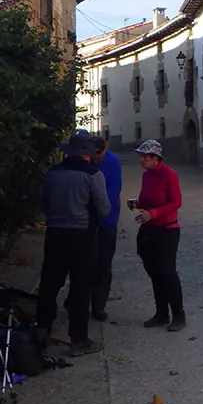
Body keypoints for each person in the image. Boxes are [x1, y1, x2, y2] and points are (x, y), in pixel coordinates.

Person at [37, 132, 110, 357]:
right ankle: (79, 340)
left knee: (49, 284)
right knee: (80, 288)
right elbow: (103, 208)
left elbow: (44, 202)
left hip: (55, 234)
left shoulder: (52, 173)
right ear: (88, 154)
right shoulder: (93, 175)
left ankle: (41, 333)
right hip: (81, 236)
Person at [131, 140, 186, 331]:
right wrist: (138, 203)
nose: (141, 160)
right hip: (149, 229)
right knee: (154, 272)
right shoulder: (147, 176)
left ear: (156, 158)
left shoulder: (169, 175)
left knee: (167, 272)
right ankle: (161, 313)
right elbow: (147, 198)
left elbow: (176, 202)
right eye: (141, 156)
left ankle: (179, 315)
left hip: (167, 230)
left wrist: (152, 213)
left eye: (145, 156)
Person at [90, 136, 122, 322]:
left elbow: (114, 189)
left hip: (107, 220)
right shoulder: (87, 159)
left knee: (103, 264)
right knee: (86, 263)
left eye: (98, 155)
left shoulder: (112, 162)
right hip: (87, 222)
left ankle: (99, 306)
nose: (96, 159)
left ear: (104, 150)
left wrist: (98, 208)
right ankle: (79, 301)